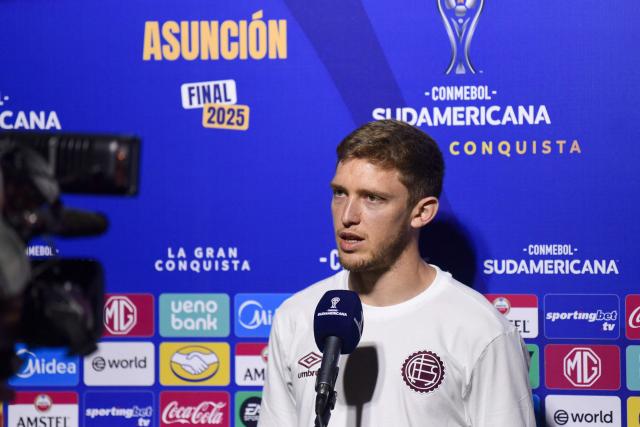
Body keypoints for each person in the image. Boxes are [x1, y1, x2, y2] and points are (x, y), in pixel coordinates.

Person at [258, 120, 535, 427]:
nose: (348, 216)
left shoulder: (482, 330)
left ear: (421, 212)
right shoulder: (296, 315)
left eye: (372, 198)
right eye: (339, 193)